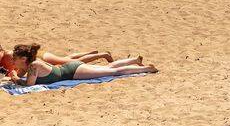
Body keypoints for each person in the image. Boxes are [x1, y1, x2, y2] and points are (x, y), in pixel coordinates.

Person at [6, 44, 156, 87]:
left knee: (112, 71)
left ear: (23, 59)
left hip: (73, 71)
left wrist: (15, 79)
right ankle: (134, 60)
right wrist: (14, 76)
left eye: (15, 58)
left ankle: (147, 68)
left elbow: (29, 84)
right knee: (108, 68)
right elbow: (18, 76)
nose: (12, 60)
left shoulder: (33, 65)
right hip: (71, 68)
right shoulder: (25, 66)